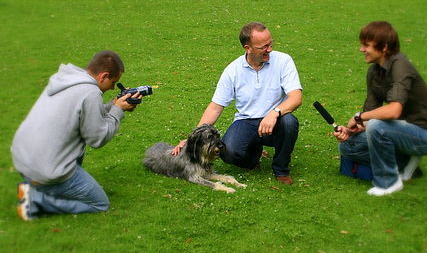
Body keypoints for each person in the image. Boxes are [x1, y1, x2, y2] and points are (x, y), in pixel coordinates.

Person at [12, 50, 141, 220]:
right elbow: (97, 138)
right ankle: (36, 200)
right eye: (113, 82)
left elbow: (84, 114)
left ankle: (35, 185)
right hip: (46, 169)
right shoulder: (90, 93)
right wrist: (118, 110)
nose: (112, 87)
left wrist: (113, 105)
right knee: (100, 204)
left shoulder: (66, 80)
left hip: (23, 158)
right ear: (103, 76)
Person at [173, 22, 303, 185]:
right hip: (246, 121)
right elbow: (215, 107)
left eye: (270, 44)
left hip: (275, 121)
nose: (269, 49)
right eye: (263, 47)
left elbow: (296, 97)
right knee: (228, 152)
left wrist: (274, 112)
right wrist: (193, 137)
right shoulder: (233, 70)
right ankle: (252, 158)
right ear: (248, 48)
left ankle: (281, 169)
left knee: (289, 122)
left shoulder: (284, 61)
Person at [333, 21, 427, 196]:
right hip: (394, 131)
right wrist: (351, 130)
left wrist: (360, 116)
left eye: (366, 45)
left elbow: (393, 111)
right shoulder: (374, 71)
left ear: (384, 47)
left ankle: (389, 182)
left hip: (424, 135)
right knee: (348, 146)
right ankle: (404, 162)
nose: (361, 49)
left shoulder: (401, 66)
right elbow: (368, 118)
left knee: (377, 126)